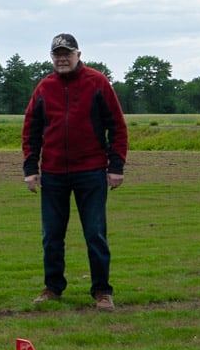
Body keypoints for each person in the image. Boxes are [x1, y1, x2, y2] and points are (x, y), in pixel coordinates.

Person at [21, 33, 128, 310]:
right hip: (54, 173)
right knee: (52, 236)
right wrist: (31, 169)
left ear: (78, 54)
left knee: (95, 234)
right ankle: (53, 288)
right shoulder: (44, 87)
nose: (62, 58)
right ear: (52, 58)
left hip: (91, 171)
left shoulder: (97, 82)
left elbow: (116, 126)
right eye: (57, 54)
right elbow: (31, 130)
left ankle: (102, 291)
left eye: (67, 53)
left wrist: (116, 166)